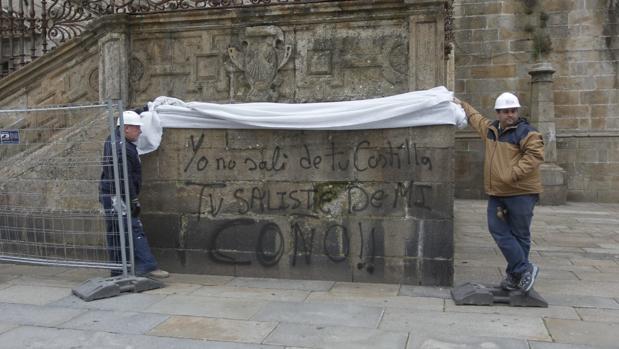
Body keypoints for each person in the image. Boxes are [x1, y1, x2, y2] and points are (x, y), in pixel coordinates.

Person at [455, 92, 544, 292]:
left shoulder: (527, 132)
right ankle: (524, 269)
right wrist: (461, 104)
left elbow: (535, 155)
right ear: (498, 113)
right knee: (497, 229)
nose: (510, 114)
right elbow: (474, 117)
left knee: (520, 234)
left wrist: (511, 175)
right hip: (497, 192)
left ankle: (515, 277)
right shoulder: (490, 130)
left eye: (513, 110)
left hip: (521, 192)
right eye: (505, 111)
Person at [99, 110, 169, 279]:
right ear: (126, 128)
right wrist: (132, 200)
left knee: (116, 232)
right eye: (137, 128)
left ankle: (117, 269)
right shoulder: (123, 148)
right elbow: (124, 178)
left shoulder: (114, 140)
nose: (140, 131)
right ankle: (146, 265)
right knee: (133, 227)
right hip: (119, 197)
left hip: (111, 195)